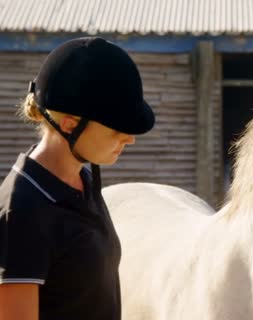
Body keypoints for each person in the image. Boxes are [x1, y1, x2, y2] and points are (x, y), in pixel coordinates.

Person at [0, 37, 155, 320]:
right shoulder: (23, 211)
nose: (130, 139)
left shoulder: (85, 178)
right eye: (116, 130)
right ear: (70, 124)